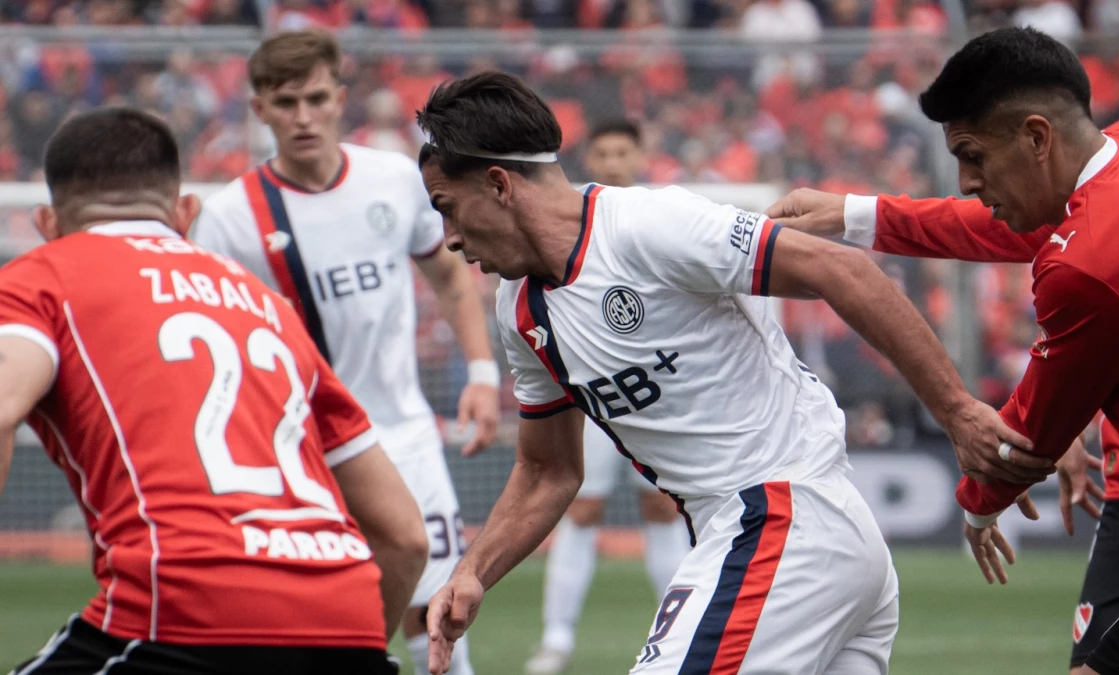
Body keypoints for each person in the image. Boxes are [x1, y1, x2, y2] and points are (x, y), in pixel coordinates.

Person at [413, 70, 1045, 675]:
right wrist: (472, 572)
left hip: (783, 518)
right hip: (778, 537)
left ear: (499, 184)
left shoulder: (645, 225)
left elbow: (844, 269)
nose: (449, 238)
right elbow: (547, 471)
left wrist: (958, 412)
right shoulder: (519, 309)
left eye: (447, 207)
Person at [765, 2, 1119, 669]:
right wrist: (856, 212)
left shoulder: (1088, 262)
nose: (968, 182)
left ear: (1036, 137)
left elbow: (1028, 439)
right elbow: (1010, 227)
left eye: (973, 157)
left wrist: (976, 505)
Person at [1, 108, 429, 674]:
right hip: (344, 617)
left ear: (47, 222)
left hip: (183, 606)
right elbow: (405, 536)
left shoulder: (40, 277)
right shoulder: (269, 307)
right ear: (185, 212)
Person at [189, 30, 499, 675]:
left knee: (438, 619)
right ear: (260, 109)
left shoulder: (393, 179)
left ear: (339, 98)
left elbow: (449, 276)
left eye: (315, 98)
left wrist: (480, 371)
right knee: (324, 622)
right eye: (285, 103)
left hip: (405, 435)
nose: (302, 117)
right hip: (301, 452)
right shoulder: (231, 218)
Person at [525, 119, 692, 675]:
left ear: (640, 156)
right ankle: (556, 638)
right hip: (594, 393)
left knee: (663, 510)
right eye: (604, 153)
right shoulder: (570, 223)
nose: (614, 163)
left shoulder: (658, 217)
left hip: (659, 391)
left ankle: (678, 635)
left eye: (624, 152)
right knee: (583, 507)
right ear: (589, 161)